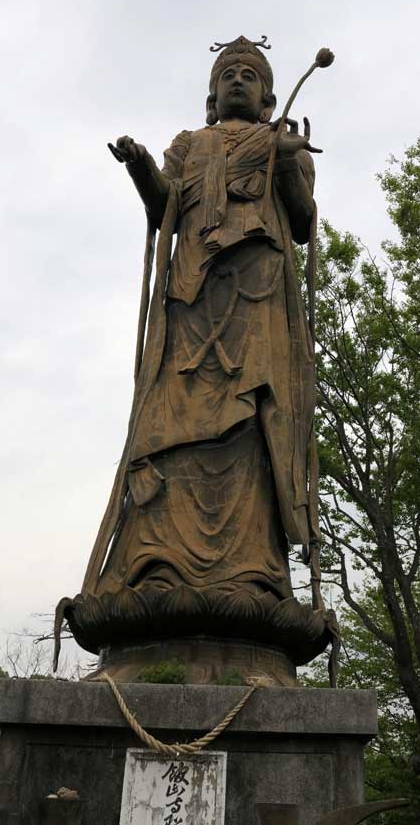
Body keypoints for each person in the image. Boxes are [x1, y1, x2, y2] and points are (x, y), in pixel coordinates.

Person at [81, 36, 320, 610]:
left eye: (249, 74)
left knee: (250, 422)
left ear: (266, 96)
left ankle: (253, 571)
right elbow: (162, 206)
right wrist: (141, 167)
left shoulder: (280, 141)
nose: (237, 80)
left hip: (255, 300)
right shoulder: (190, 144)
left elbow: (305, 223)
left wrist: (287, 160)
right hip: (191, 301)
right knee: (170, 417)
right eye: (227, 74)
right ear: (212, 94)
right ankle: (153, 562)